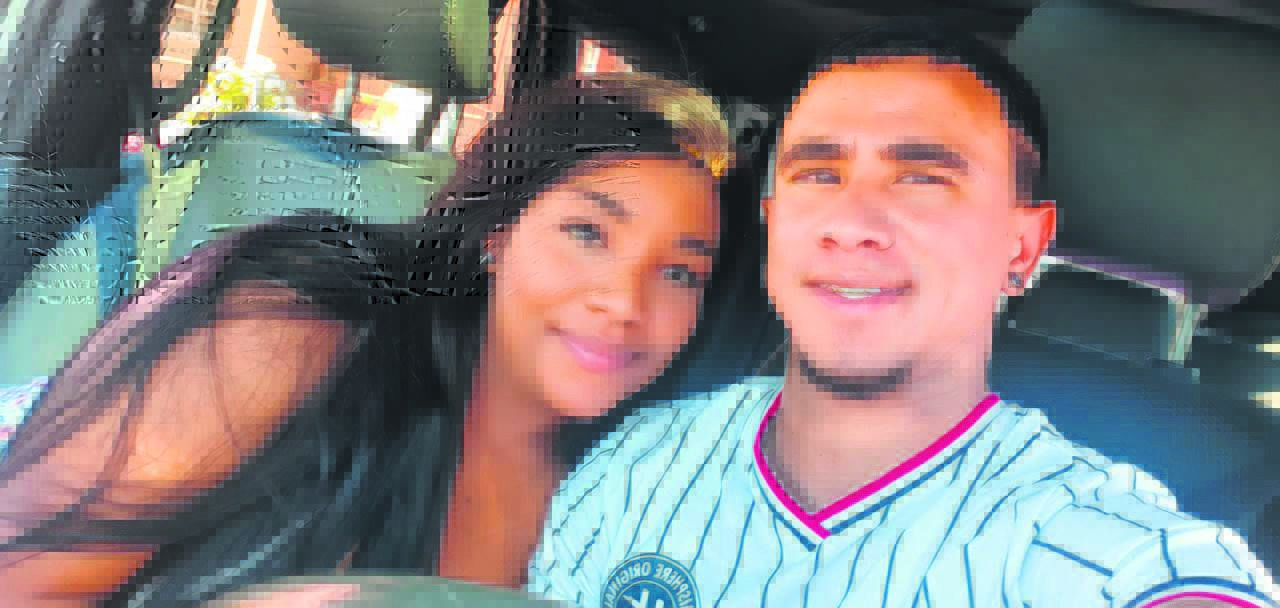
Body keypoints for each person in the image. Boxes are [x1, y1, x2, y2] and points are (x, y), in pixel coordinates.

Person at [528, 21, 1279, 608]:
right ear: (772, 220)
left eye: (922, 178)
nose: (850, 223)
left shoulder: (1102, 549)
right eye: (817, 174)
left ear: (1022, 247)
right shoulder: (635, 465)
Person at [0, 72, 742, 606]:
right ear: (497, 230)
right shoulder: (297, 328)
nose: (625, 303)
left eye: (681, 273)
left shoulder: (632, 489)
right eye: (587, 233)